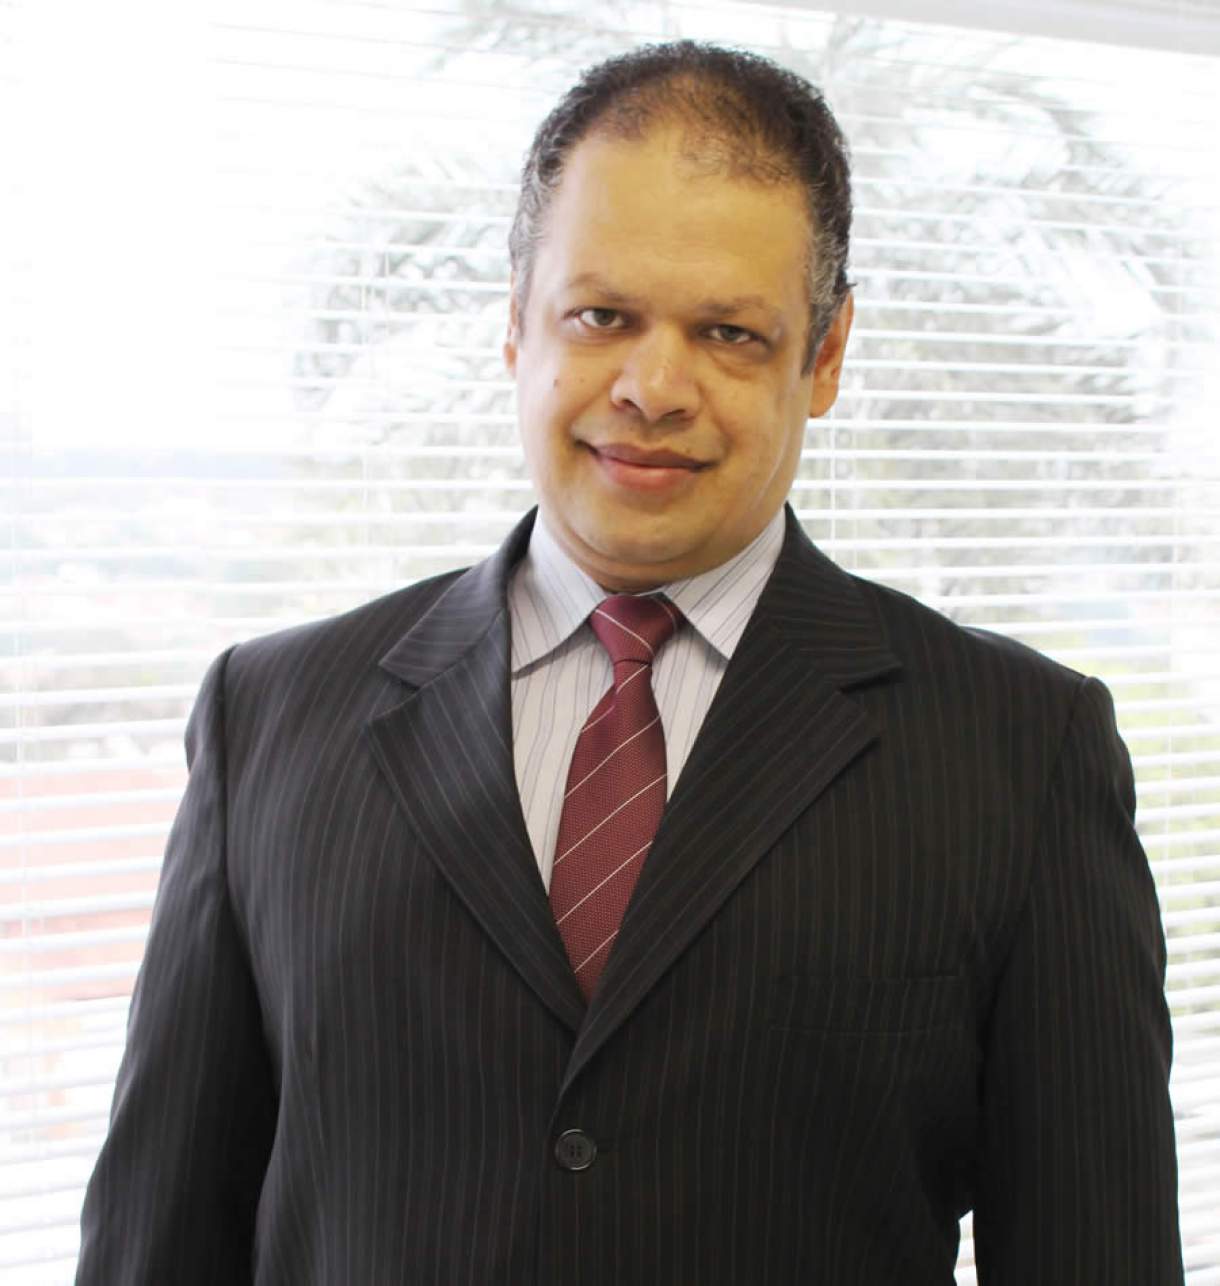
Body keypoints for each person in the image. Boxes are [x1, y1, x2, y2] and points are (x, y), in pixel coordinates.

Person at [76, 41, 1183, 1285]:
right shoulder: (269, 718)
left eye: (728, 332)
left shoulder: (1020, 753)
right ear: (516, 321)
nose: (653, 388)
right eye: (602, 316)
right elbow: (155, 1246)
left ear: (823, 355)